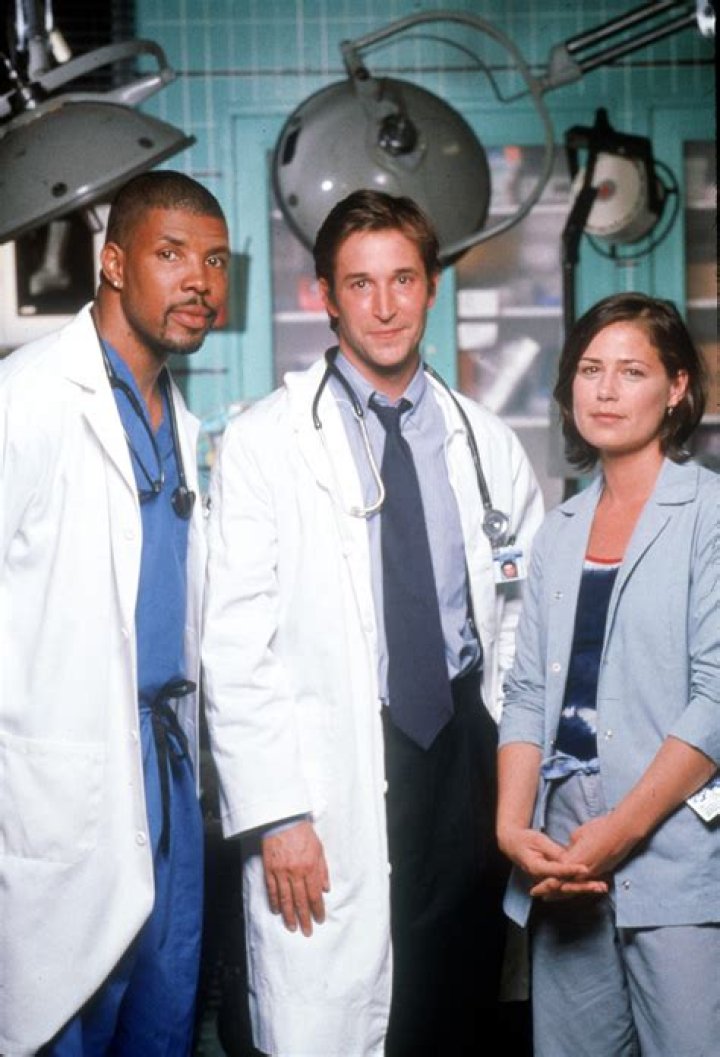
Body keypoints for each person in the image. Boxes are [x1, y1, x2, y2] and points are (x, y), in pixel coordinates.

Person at [202, 189, 544, 1057]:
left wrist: (513, 764)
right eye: (360, 283)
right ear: (326, 295)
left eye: (403, 279)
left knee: (461, 1004)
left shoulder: (486, 441)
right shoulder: (267, 443)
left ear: (432, 286)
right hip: (335, 760)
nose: (385, 305)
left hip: (466, 753)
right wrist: (278, 814)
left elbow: (521, 623)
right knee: (346, 1015)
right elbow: (234, 646)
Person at [0, 170, 230, 1056]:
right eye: (172, 254)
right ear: (114, 263)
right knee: (62, 1019)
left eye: (215, 261)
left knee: (162, 1022)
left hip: (167, 775)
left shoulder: (182, 421)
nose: (199, 281)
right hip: (62, 775)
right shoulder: (27, 398)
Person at [496, 292, 720, 1057]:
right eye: (590, 370)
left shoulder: (709, 514)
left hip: (673, 842)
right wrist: (513, 828)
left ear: (678, 386)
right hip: (563, 851)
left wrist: (618, 834)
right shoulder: (556, 533)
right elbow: (528, 692)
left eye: (632, 371)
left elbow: (716, 699)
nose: (606, 390)